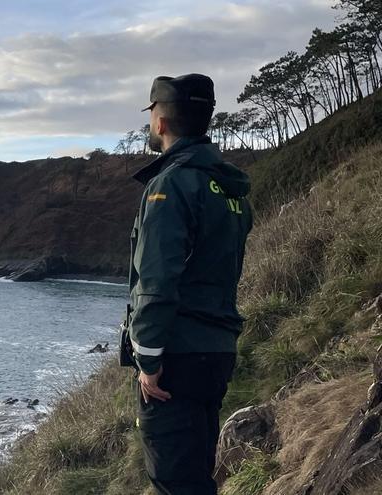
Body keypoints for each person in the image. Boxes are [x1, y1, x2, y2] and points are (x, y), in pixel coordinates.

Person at [121, 73, 253, 494]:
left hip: (177, 355)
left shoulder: (171, 184)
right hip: (216, 349)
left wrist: (149, 360)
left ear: (160, 121)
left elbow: (157, 281)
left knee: (174, 480)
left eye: (152, 114)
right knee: (196, 473)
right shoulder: (229, 189)